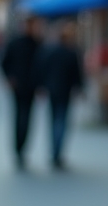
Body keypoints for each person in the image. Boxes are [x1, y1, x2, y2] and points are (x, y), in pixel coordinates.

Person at [36, 22, 84, 170]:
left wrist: (41, 85)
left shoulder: (51, 51)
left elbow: (42, 69)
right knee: (61, 121)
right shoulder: (71, 53)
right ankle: (57, 153)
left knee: (54, 121)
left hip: (52, 90)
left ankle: (54, 151)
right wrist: (79, 89)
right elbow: (77, 75)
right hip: (65, 92)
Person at [0, 16, 42, 170]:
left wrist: (41, 84)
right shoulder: (15, 43)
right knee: (20, 118)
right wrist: (9, 79)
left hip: (31, 87)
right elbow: (4, 62)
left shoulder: (37, 44)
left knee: (27, 119)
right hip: (18, 87)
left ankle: (22, 149)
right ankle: (18, 149)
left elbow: (42, 65)